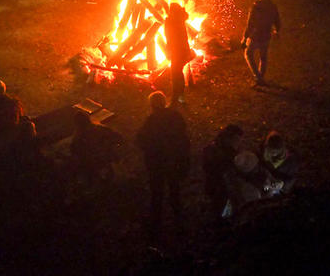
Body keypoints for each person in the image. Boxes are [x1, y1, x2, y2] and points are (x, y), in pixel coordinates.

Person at [136, 91, 190, 241]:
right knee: (174, 190)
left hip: (157, 165)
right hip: (173, 162)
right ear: (164, 102)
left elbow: (141, 140)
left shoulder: (151, 121)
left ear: (152, 105)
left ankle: (156, 225)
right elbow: (184, 138)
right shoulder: (175, 116)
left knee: (157, 193)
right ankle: (179, 220)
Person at [242, 0, 281, 86]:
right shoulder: (273, 6)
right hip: (266, 36)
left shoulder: (255, 6)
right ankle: (260, 77)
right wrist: (277, 31)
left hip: (255, 36)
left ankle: (258, 77)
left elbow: (249, 24)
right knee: (263, 57)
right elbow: (277, 20)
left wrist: (244, 37)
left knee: (248, 53)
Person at [202, 124, 243, 218]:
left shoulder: (216, 147)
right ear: (230, 138)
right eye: (237, 139)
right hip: (220, 187)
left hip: (217, 186)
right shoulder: (222, 153)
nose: (239, 142)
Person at [71, 111, 123, 181]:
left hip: (94, 168)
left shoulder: (77, 139)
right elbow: (118, 138)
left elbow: (77, 156)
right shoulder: (100, 129)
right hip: (107, 162)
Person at [164, 2, 193, 105]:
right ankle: (178, 95)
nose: (169, 12)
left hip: (178, 51)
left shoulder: (173, 21)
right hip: (180, 50)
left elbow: (170, 37)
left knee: (176, 73)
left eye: (171, 10)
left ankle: (177, 96)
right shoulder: (179, 19)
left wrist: (169, 49)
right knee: (177, 73)